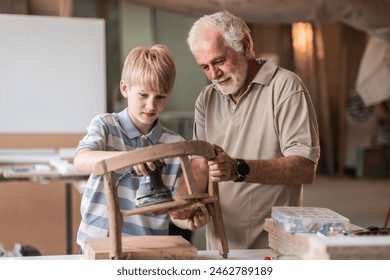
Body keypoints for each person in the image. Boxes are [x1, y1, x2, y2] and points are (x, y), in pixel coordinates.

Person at [186, 10, 321, 250]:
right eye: (204, 67)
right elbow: (199, 166)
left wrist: (238, 169)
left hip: (272, 248)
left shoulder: (286, 87)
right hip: (220, 247)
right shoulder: (206, 98)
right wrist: (184, 199)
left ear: (245, 46)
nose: (214, 75)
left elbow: (304, 168)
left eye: (219, 61)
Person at [74, 44, 204, 252]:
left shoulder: (174, 145)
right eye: (143, 95)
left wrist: (187, 220)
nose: (152, 106)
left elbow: (172, 212)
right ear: (125, 88)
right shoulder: (106, 125)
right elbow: (81, 160)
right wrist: (132, 158)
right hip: (99, 246)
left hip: (148, 249)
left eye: (160, 97)